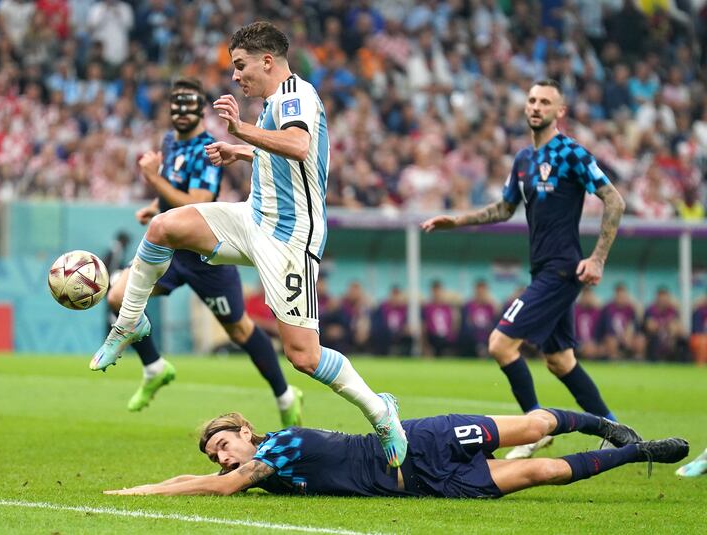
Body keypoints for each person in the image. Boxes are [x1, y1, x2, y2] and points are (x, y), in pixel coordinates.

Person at [91, 22, 408, 467]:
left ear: (267, 61)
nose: (235, 77)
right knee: (163, 227)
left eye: (240, 66)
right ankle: (129, 325)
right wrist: (242, 150)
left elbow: (298, 145)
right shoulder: (275, 102)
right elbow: (287, 153)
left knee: (304, 356)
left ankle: (380, 411)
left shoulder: (296, 94)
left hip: (288, 236)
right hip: (253, 216)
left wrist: (239, 132)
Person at [421, 80, 628, 459]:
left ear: (559, 111)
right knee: (560, 361)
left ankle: (533, 429)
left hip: (563, 269)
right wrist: (457, 220)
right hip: (543, 270)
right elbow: (503, 208)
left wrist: (597, 258)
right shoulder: (523, 160)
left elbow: (614, 200)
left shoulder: (570, 153)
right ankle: (620, 433)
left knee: (500, 344)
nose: (536, 106)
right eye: (532, 100)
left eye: (545, 102)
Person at [103, 77, 302, 426]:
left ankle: (286, 394)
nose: (182, 111)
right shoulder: (170, 142)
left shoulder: (207, 149)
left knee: (239, 331)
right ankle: (154, 367)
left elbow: (199, 203)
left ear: (201, 109)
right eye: (176, 104)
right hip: (170, 252)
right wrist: (155, 205)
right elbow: (176, 192)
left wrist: (154, 179)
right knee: (118, 297)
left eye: (189, 104)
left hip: (206, 256)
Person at [103, 404, 688, 498]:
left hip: (422, 438)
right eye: (216, 456)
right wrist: (162, 484)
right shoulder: (265, 467)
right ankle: (641, 455)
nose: (223, 460)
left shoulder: (275, 449)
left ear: (246, 431)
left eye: (224, 445)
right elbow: (213, 480)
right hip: (426, 483)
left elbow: (224, 486)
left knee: (529, 424)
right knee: (538, 470)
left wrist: (147, 489)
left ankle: (606, 427)